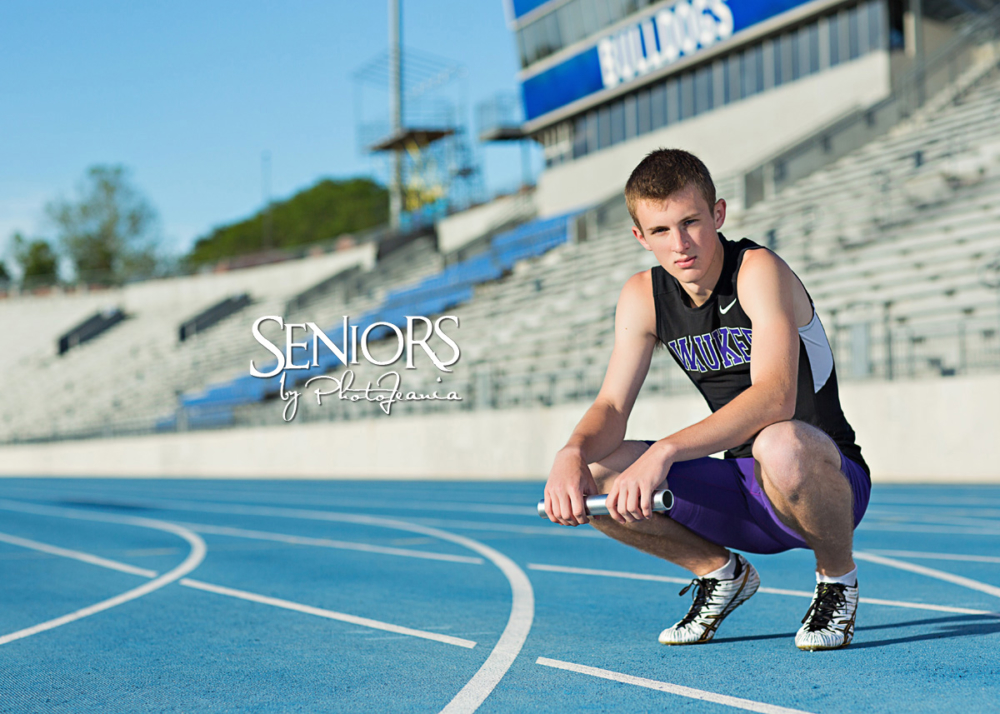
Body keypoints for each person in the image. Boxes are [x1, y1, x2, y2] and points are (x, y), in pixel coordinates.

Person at [542, 148, 870, 651]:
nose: (680, 244)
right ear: (640, 237)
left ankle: (837, 580)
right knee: (597, 473)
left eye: (691, 222)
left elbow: (775, 398)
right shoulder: (643, 295)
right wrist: (571, 453)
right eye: (660, 231)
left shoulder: (756, 269)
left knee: (779, 443)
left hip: (821, 480)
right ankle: (719, 572)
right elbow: (611, 406)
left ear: (718, 214)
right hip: (742, 490)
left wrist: (665, 451)